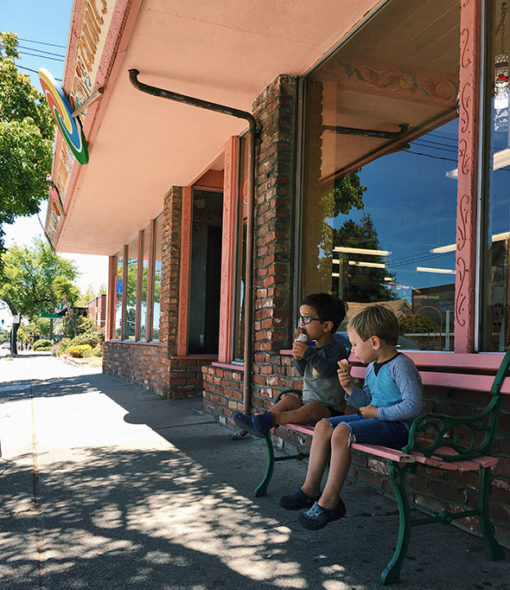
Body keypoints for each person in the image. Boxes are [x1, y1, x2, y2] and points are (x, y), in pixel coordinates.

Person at [279, 304, 423, 530]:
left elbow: (413, 405)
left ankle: (330, 502)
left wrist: (378, 412)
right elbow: (366, 402)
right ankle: (310, 489)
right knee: (323, 426)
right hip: (376, 421)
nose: (353, 350)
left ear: (374, 342)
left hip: (399, 428)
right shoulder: (372, 366)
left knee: (342, 432)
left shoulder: (401, 365)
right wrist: (348, 388)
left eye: (355, 344)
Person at [234, 292, 349, 438]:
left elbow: (327, 371)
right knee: (289, 400)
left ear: (326, 326)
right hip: (306, 402)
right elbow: (303, 372)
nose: (302, 323)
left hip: (329, 409)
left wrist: (307, 353)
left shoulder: (337, 350)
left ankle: (268, 420)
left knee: (313, 408)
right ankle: (261, 423)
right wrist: (299, 358)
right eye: (301, 318)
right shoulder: (313, 349)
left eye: (307, 319)